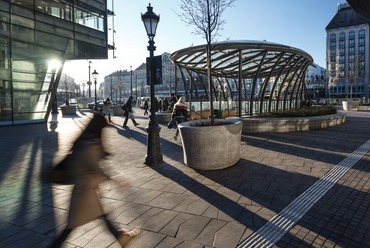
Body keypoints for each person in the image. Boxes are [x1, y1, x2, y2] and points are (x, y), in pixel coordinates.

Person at [48, 113, 140, 248]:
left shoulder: (86, 140)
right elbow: (91, 170)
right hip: (84, 192)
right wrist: (114, 179)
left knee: (99, 215)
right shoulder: (90, 143)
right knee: (72, 226)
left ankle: (121, 236)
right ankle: (121, 237)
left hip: (86, 190)